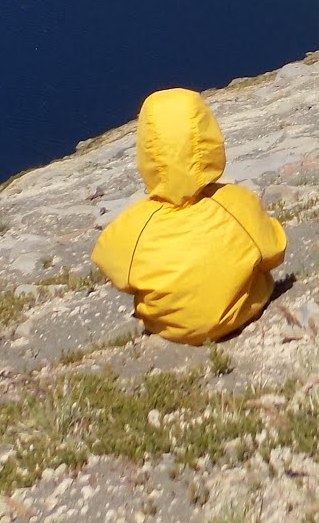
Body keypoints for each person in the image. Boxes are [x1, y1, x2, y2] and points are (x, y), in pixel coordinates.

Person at [92, 87, 287, 345]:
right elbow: (273, 252)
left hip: (170, 329)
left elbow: (116, 272)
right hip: (242, 312)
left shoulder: (134, 225)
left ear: (147, 152)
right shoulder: (234, 202)